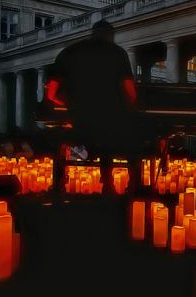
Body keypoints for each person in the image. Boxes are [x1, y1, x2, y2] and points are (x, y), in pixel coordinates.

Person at [47, 19, 137, 194]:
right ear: (111, 35)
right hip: (110, 125)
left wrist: (69, 105)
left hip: (79, 124)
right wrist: (128, 109)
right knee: (128, 136)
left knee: (73, 135)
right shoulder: (117, 53)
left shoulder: (69, 52)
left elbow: (51, 94)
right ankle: (122, 185)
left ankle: (59, 183)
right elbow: (130, 92)